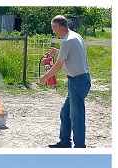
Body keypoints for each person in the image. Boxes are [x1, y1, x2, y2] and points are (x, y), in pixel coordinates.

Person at [39, 15, 91, 148]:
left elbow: (57, 66)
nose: (53, 31)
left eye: (53, 28)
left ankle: (80, 147)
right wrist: (58, 52)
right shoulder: (75, 36)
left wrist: (45, 77)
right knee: (65, 112)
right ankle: (65, 142)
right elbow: (72, 54)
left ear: (58, 26)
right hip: (80, 80)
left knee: (76, 117)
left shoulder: (67, 41)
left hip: (77, 81)